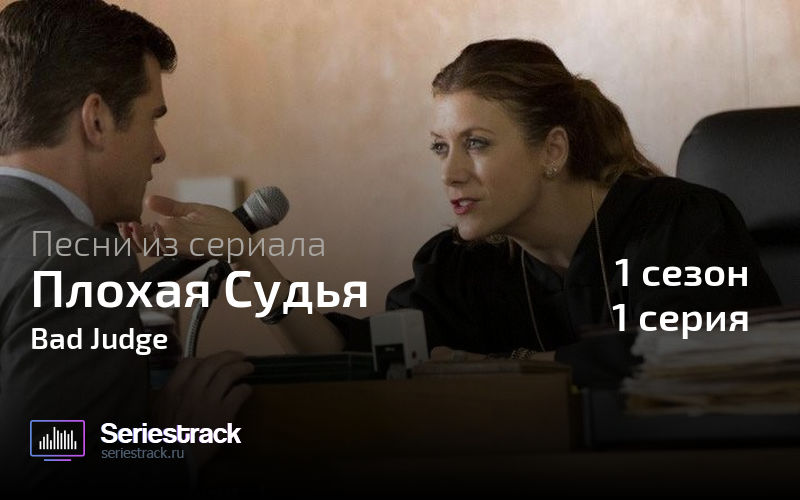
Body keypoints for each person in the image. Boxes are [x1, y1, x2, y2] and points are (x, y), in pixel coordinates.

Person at [130, 39, 780, 387]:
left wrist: (502, 370)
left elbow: (692, 364)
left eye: (478, 144)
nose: (450, 173)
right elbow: (354, 357)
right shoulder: (463, 263)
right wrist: (249, 260)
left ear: (553, 150)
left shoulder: (682, 223)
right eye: (441, 148)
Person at [0, 0, 253, 491]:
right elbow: (57, 467)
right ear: (96, 120)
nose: (159, 149)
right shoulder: (80, 259)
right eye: (151, 119)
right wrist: (174, 448)